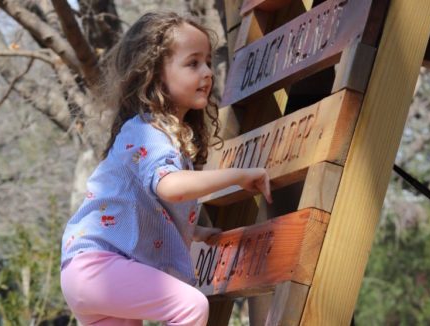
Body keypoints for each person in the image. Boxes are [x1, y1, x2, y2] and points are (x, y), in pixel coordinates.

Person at [60, 11, 272, 326]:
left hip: (93, 275)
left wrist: (195, 232)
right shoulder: (146, 130)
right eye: (193, 63)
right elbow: (170, 187)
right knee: (190, 307)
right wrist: (240, 175)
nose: (207, 72)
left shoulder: (167, 138)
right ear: (156, 74)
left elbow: (149, 210)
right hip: (98, 267)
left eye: (209, 62)